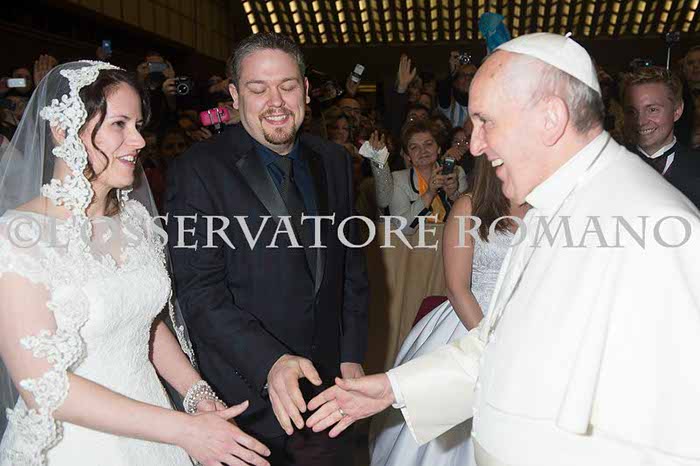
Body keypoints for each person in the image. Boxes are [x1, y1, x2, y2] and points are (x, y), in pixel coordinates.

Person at [306, 33, 700, 466]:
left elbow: (674, 424)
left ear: (550, 118)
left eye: (487, 122)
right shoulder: (551, 204)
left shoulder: (654, 223)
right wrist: (394, 389)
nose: (474, 145)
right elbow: (507, 344)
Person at [0, 62, 270, 466]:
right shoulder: (20, 236)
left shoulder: (135, 221)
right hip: (77, 444)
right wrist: (183, 430)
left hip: (155, 423)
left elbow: (144, 321)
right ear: (62, 129)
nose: (139, 140)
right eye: (119, 124)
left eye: (138, 125)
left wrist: (196, 393)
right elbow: (44, 387)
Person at [166, 33, 368, 466]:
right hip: (244, 400)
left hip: (328, 394)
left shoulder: (334, 160)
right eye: (258, 89)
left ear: (306, 90)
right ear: (235, 96)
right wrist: (269, 363)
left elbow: (350, 266)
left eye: (287, 86)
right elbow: (199, 292)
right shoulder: (197, 170)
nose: (276, 102)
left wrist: (351, 355)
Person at [370, 153, 528, 466]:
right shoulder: (468, 206)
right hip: (472, 321)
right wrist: (489, 345)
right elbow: (457, 288)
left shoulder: (546, 206)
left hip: (529, 325)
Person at [621, 66, 700, 208]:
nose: (641, 121)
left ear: (677, 111)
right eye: (631, 111)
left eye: (652, 110)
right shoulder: (608, 168)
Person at [370, 121, 468, 234]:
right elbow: (403, 227)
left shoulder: (456, 172)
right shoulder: (398, 179)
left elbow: (468, 221)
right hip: (415, 244)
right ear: (408, 156)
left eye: (428, 144)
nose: (423, 151)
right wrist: (429, 194)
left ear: (439, 149)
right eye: (414, 147)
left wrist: (453, 195)